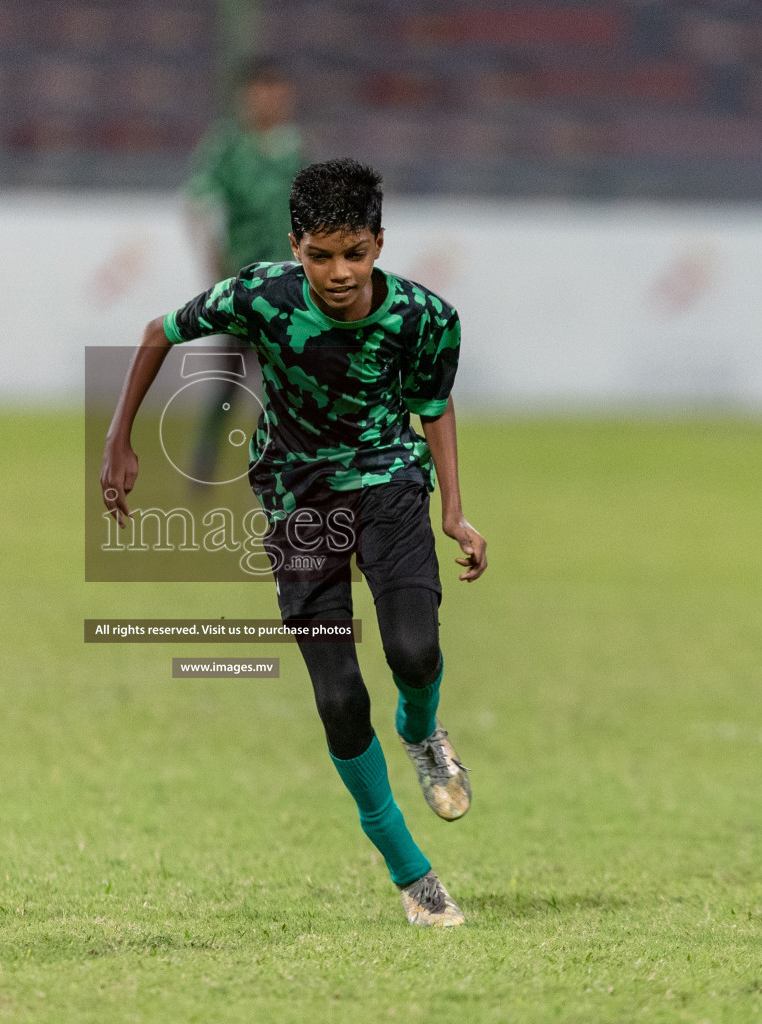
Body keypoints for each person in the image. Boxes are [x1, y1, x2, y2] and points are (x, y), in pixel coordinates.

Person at [101, 159, 488, 927]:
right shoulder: (260, 295)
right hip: (295, 498)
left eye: (354, 253)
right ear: (295, 246)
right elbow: (155, 333)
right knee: (340, 698)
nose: (337, 273)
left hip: (389, 485)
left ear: (379, 243)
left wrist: (454, 508)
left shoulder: (424, 317)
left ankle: (421, 731)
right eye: (319, 255)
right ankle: (414, 876)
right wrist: (118, 438)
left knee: (413, 653)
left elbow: (433, 403)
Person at [181, 59, 305, 484]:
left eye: (275, 91)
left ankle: (290, 467)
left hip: (292, 290)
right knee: (230, 379)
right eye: (260, 91)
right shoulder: (227, 147)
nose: (268, 101)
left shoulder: (297, 150)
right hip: (245, 286)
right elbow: (202, 206)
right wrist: (215, 268)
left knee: (292, 383)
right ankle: (206, 459)